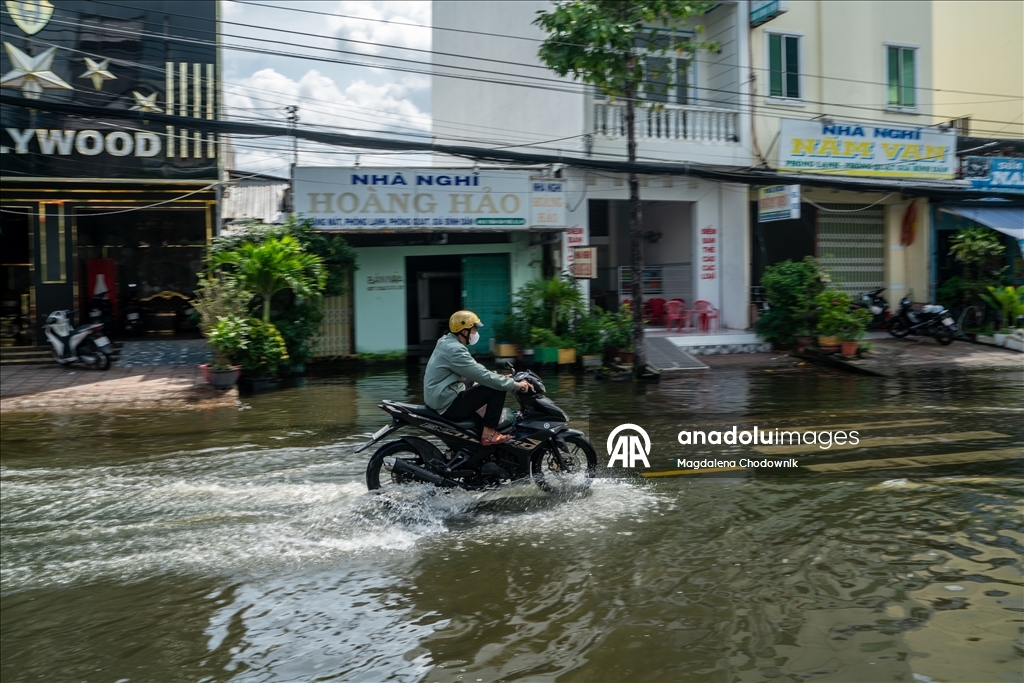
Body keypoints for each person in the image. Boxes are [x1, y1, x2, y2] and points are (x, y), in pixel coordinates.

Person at [424, 310, 530, 446]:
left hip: (438, 395)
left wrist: (497, 376)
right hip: (446, 402)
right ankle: (489, 434)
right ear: (464, 331)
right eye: (474, 329)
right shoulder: (456, 350)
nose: (476, 332)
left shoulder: (446, 341)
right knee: (496, 388)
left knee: (486, 382)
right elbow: (481, 375)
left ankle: (482, 415)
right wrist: (514, 384)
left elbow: (474, 370)